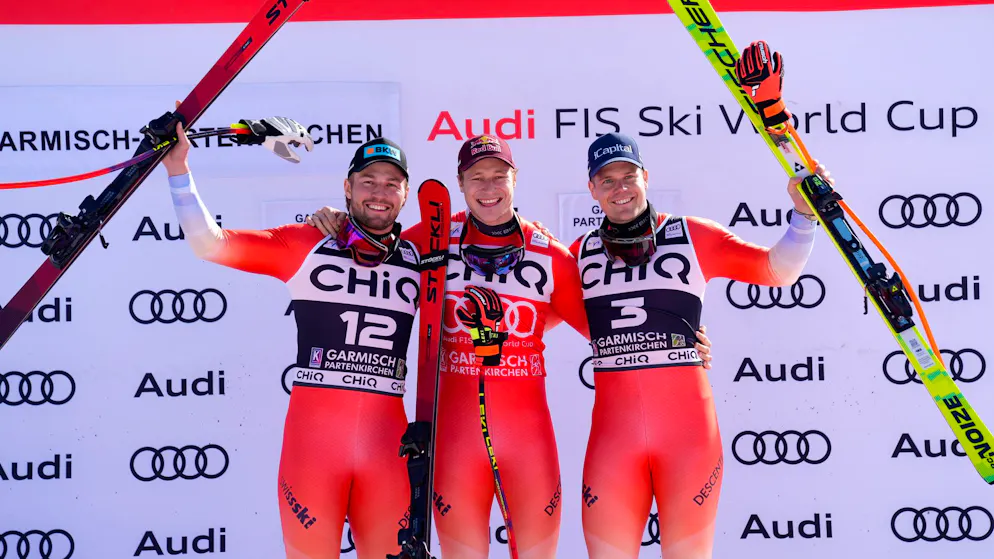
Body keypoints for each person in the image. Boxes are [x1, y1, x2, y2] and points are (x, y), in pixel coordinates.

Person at [305, 134, 714, 559]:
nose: (488, 188)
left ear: (515, 180)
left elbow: (608, 329)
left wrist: (681, 344)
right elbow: (375, 243)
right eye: (476, 178)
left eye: (498, 176)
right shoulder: (430, 238)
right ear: (461, 184)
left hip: (528, 447)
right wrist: (338, 220)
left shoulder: (551, 255)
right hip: (454, 445)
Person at [569, 41, 828, 559]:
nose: (620, 189)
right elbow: (541, 315)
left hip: (689, 439)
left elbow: (776, 272)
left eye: (628, 176)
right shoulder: (575, 255)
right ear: (592, 189)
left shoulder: (694, 235)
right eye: (607, 180)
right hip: (611, 446)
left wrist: (803, 217)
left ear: (646, 177)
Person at [162, 118, 421, 559]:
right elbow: (208, 243)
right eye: (368, 181)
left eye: (392, 184)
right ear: (347, 186)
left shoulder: (421, 257)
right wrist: (178, 170)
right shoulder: (309, 241)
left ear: (405, 194)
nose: (379, 192)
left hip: (388, 453)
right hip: (314, 450)